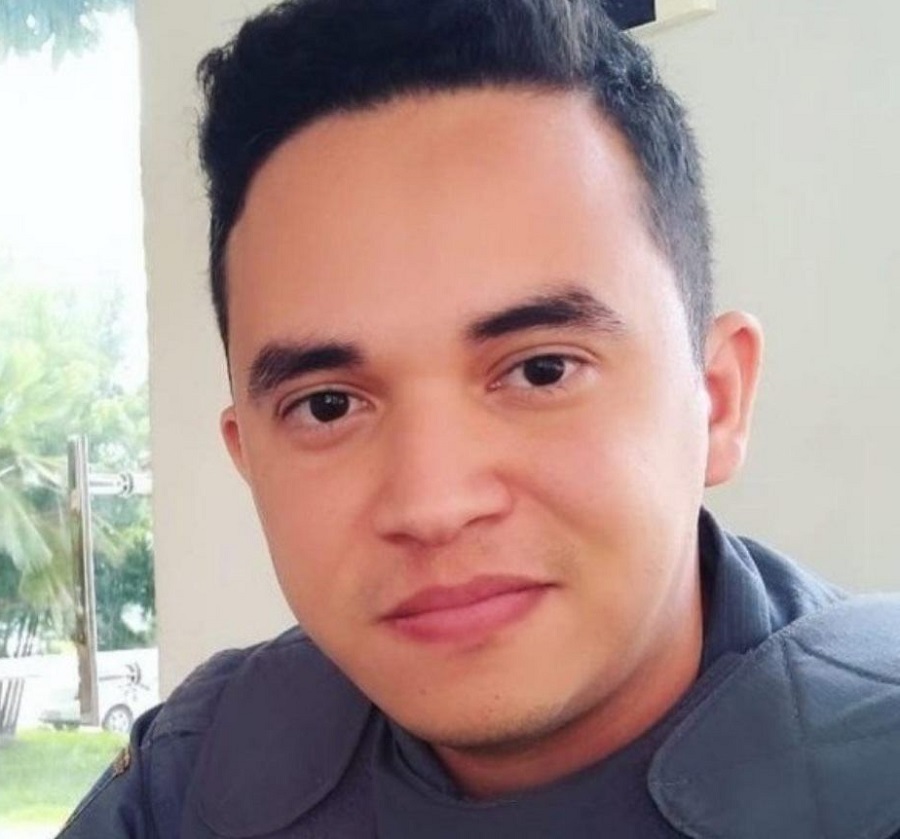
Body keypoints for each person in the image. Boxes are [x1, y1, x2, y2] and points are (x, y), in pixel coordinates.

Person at [59, 1, 900, 837]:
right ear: (249, 457)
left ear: (716, 398)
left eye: (541, 370)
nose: (433, 504)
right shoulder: (192, 777)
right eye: (327, 405)